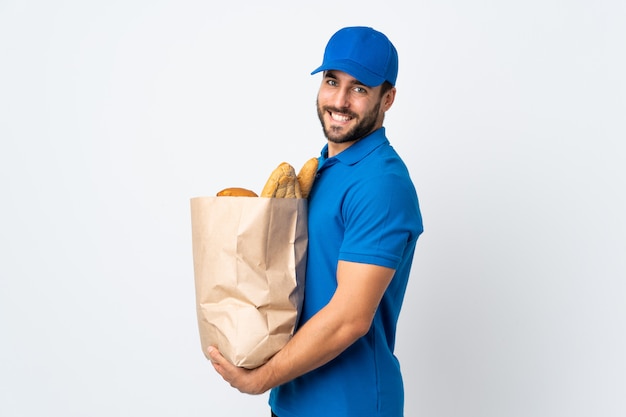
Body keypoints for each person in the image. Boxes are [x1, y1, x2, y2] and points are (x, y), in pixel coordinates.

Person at [207, 26, 424, 417]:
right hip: (292, 399)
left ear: (387, 98)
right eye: (331, 81)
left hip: (348, 406)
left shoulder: (381, 183)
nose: (339, 100)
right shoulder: (324, 168)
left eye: (359, 88)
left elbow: (350, 319)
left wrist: (260, 379)